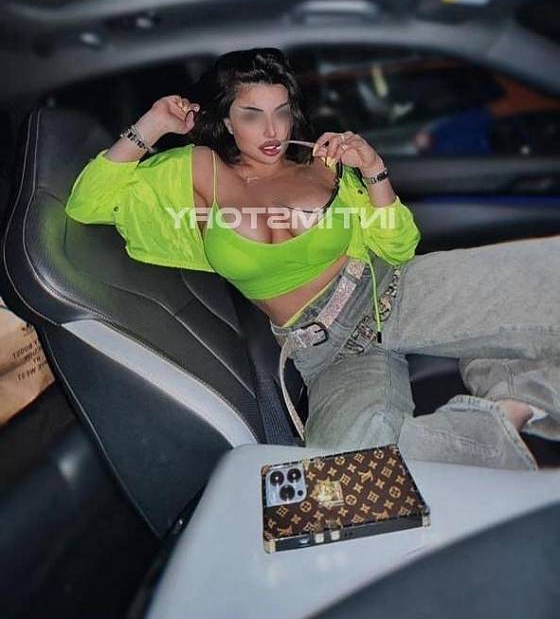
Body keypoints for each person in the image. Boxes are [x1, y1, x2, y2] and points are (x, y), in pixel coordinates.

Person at [65, 48, 560, 470]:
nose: (271, 129)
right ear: (226, 120)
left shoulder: (324, 165)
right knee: (346, 480)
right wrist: (154, 124)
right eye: (251, 115)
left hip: (396, 292)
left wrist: (374, 170)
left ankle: (510, 373)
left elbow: (398, 248)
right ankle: (508, 409)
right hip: (327, 351)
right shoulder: (196, 170)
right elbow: (88, 204)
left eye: (281, 112)